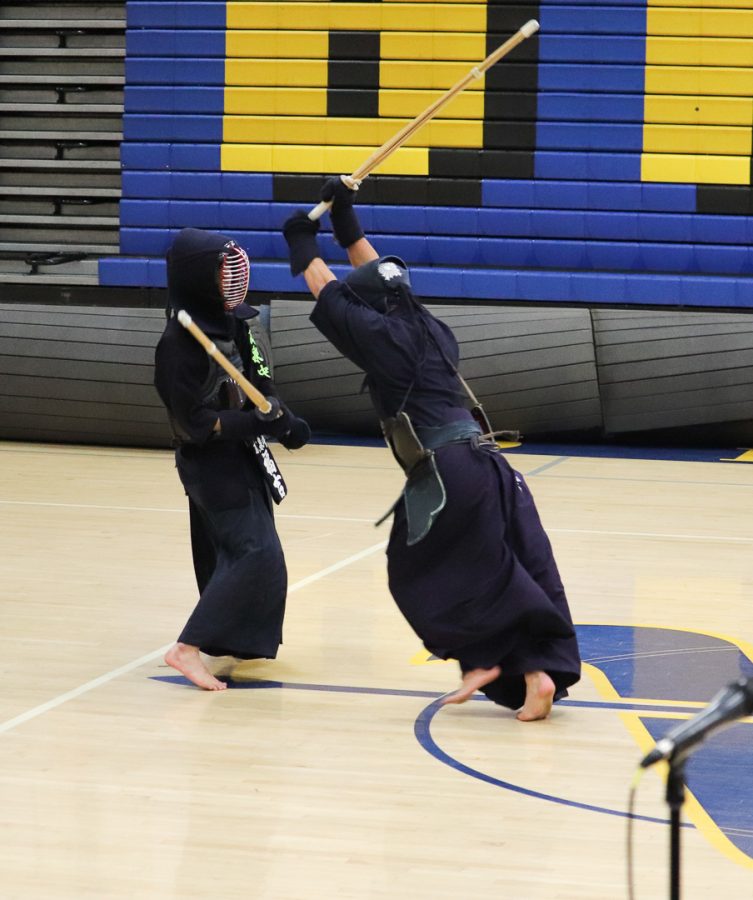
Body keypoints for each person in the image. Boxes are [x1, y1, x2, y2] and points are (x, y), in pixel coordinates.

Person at [281, 179, 581, 720]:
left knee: (415, 570)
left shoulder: (380, 338)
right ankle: (535, 672)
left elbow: (326, 287)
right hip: (489, 465)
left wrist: (300, 240)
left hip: (447, 474)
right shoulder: (425, 321)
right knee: (505, 564)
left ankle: (481, 659)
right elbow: (374, 273)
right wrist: (344, 215)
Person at [154, 227, 311, 690]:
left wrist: (284, 419)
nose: (232, 275)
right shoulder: (179, 346)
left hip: (246, 454)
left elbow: (261, 383)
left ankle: (234, 640)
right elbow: (196, 424)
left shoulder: (241, 321)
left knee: (241, 551)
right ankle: (186, 648)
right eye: (221, 268)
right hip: (210, 465)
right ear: (199, 276)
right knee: (255, 553)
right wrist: (256, 424)